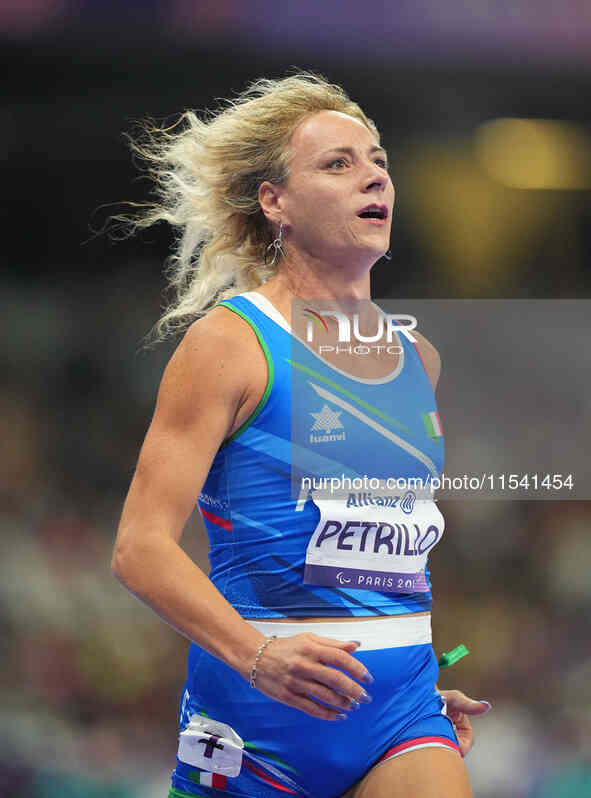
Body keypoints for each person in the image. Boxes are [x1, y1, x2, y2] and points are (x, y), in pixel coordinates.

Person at [111, 71, 490, 798]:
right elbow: (139, 549)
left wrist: (408, 668)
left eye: (377, 160)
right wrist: (258, 657)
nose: (372, 175)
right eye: (337, 163)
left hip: (401, 712)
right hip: (258, 722)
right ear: (274, 201)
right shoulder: (231, 343)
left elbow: (386, 546)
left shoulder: (419, 360)